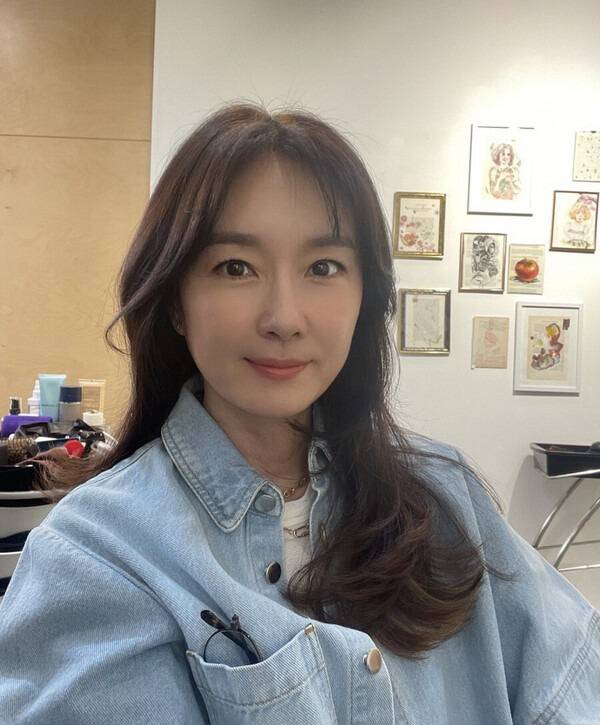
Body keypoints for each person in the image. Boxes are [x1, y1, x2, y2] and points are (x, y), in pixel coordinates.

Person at [1, 103, 598, 724]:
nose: (284, 318)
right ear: (176, 300)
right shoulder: (99, 553)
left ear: (365, 296)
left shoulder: (448, 498)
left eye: (323, 267)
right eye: (235, 267)